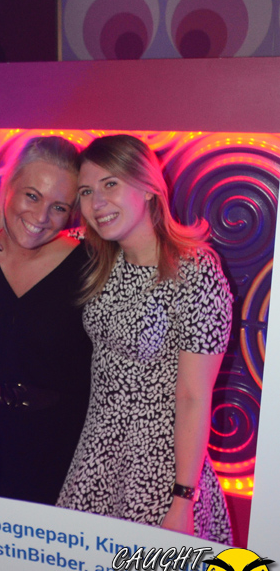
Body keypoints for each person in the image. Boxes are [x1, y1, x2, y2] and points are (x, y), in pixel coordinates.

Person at [57, 134, 233, 543]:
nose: (97, 202)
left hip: (159, 467)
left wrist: (183, 499)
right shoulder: (101, 255)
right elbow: (41, 231)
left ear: (149, 188)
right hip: (96, 454)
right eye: (86, 191)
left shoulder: (194, 270)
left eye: (110, 184)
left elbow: (193, 396)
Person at [0, 136, 93, 506]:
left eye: (59, 207)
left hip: (60, 454)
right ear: (8, 186)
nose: (40, 218)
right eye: (32, 196)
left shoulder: (90, 264)